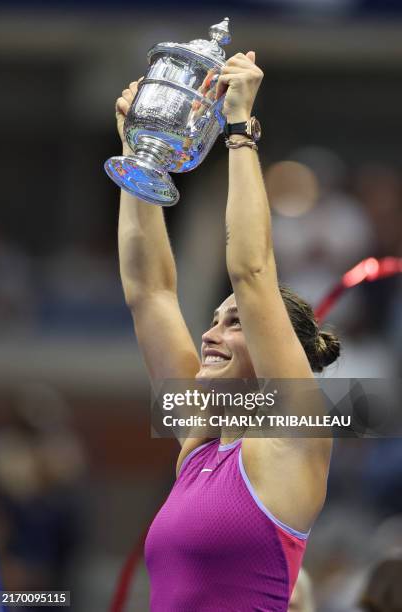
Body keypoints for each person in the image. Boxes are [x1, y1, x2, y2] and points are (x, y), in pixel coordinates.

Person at [115, 51, 340, 611]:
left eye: (235, 322)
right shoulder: (200, 440)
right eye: (214, 319)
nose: (211, 334)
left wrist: (240, 132)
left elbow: (253, 271)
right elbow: (150, 293)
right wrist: (142, 159)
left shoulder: (293, 434)